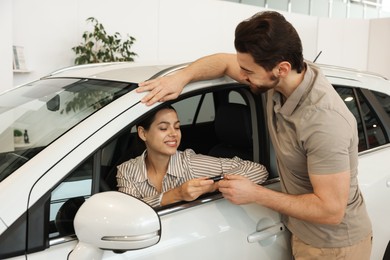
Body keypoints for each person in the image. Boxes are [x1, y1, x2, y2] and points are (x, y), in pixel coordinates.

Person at [136, 11, 372, 260]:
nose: (242, 76)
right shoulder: (276, 79)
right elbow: (224, 63)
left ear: (281, 69)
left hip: (334, 247)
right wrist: (181, 78)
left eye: (248, 71)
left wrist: (255, 194)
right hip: (302, 232)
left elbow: (331, 210)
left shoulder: (324, 122)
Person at [116, 104, 268, 208]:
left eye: (177, 127)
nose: (173, 134)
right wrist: (176, 195)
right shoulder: (127, 170)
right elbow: (128, 214)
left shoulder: (189, 163)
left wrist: (212, 186)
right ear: (143, 133)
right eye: (163, 128)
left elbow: (257, 170)